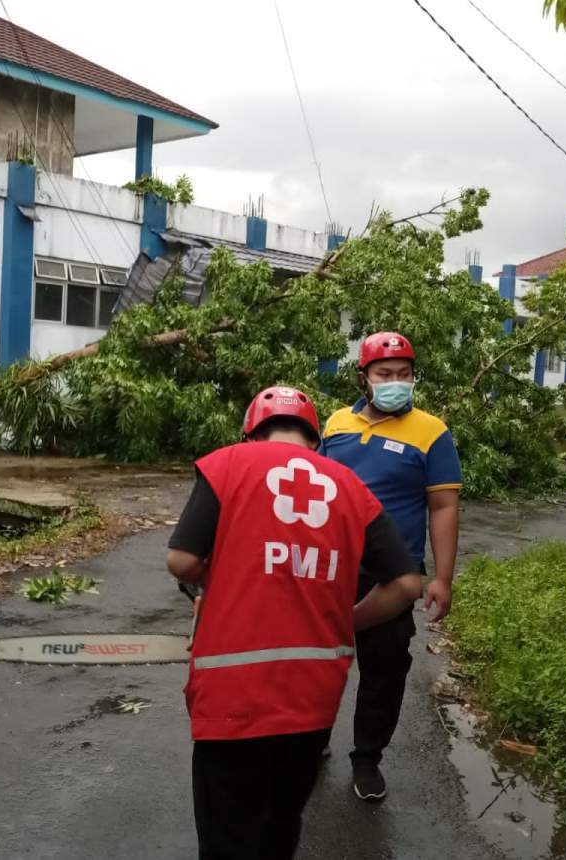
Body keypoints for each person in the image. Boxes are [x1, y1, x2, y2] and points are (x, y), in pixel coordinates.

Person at [167, 385, 422, 860]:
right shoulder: (349, 486)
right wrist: (348, 622)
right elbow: (407, 585)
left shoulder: (227, 465)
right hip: (312, 697)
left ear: (251, 433)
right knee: (280, 826)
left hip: (232, 698)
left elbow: (182, 561)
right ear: (313, 437)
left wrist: (220, 575)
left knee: (228, 836)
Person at [319, 332, 462, 801]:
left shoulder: (432, 431)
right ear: (364, 378)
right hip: (331, 568)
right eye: (385, 375)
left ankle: (367, 759)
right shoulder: (336, 424)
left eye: (404, 375)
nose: (396, 383)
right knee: (320, 661)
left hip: (393, 574)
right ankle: (312, 738)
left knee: (383, 671)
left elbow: (442, 507)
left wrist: (441, 578)